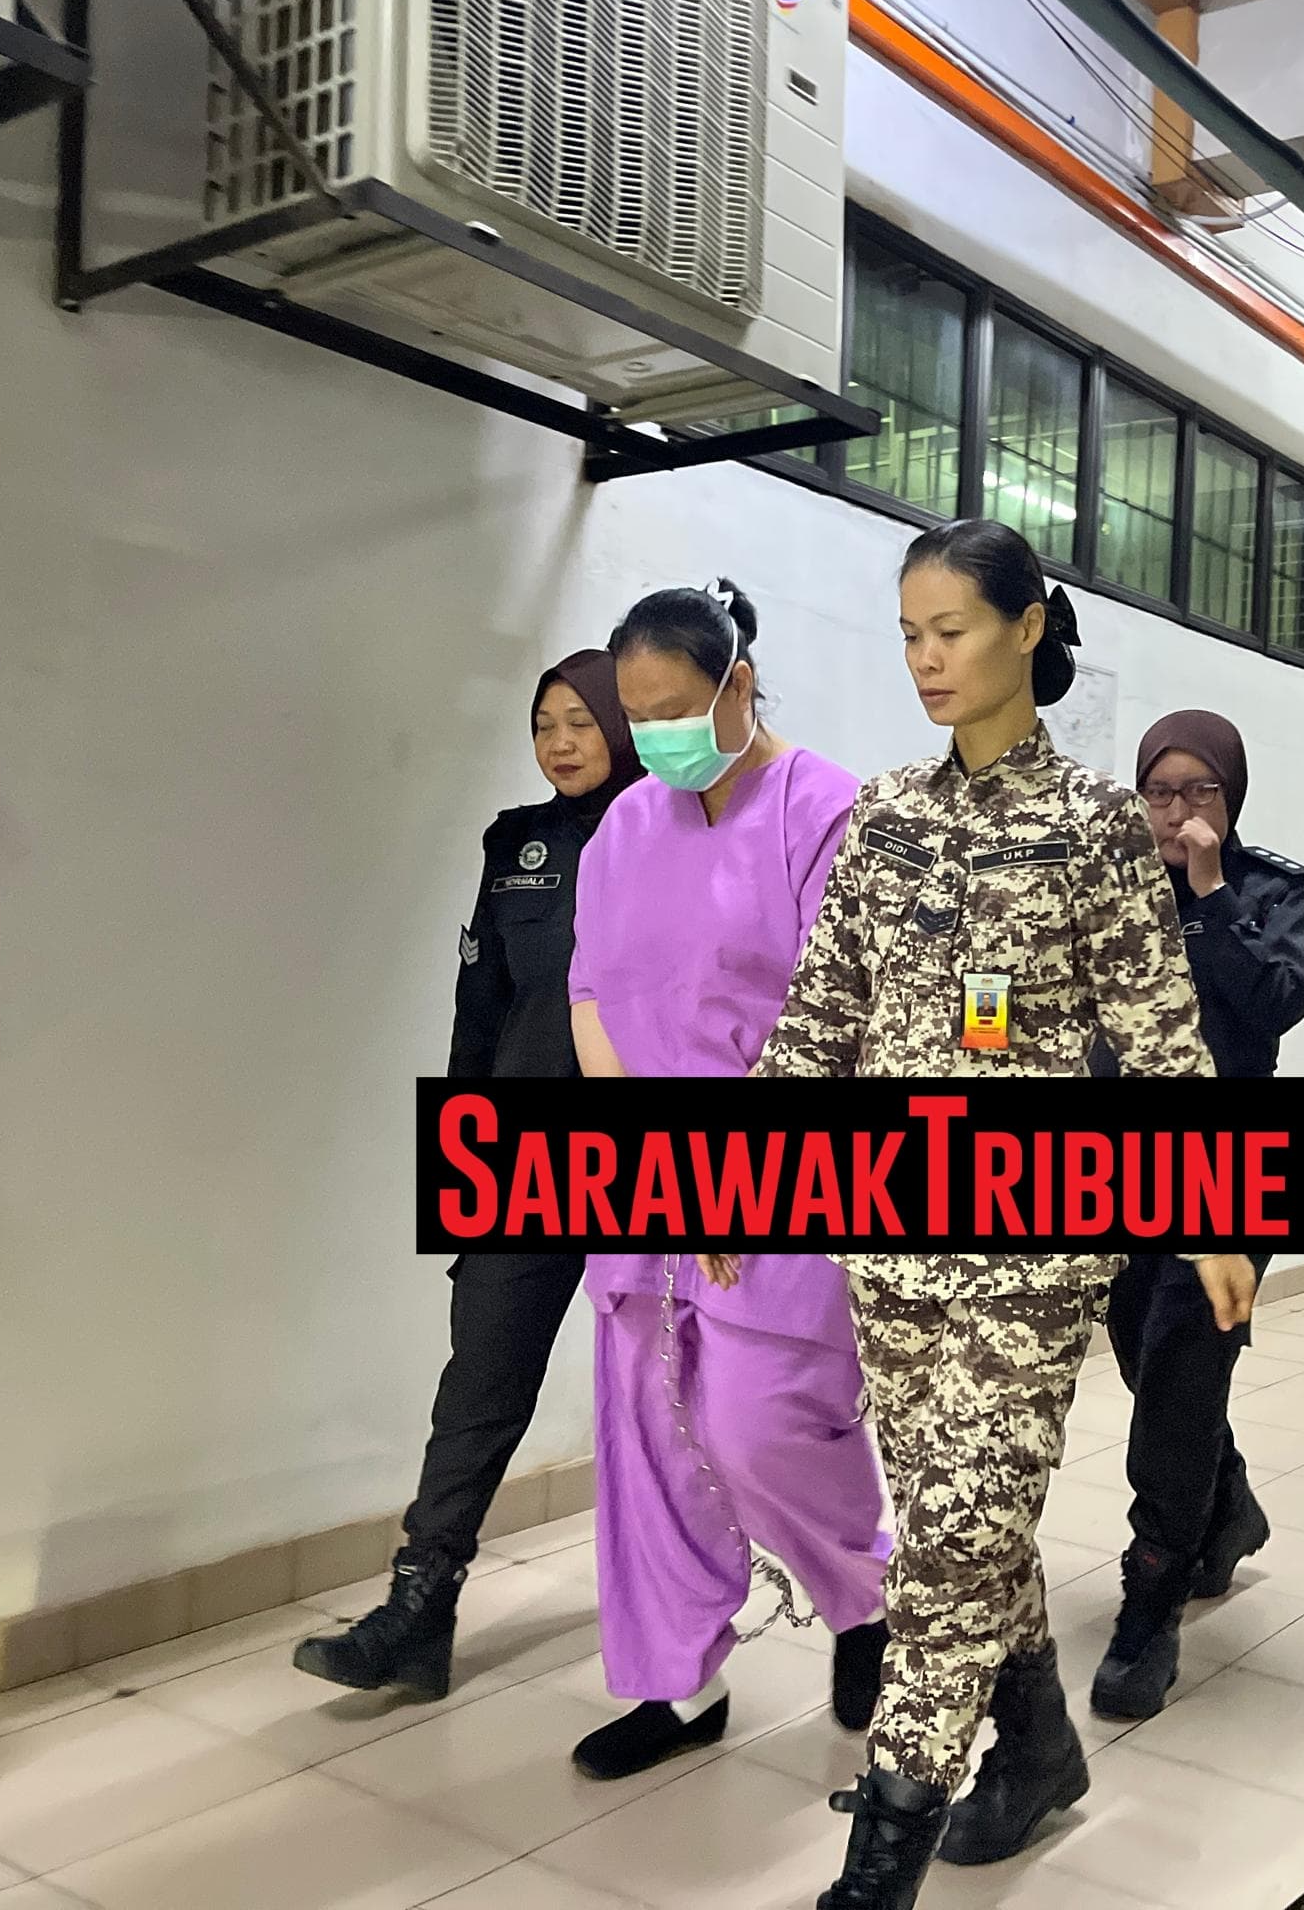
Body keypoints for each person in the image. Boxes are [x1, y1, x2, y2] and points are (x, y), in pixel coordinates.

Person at [750, 518, 1258, 1910]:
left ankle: (882, 1856)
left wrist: (1214, 1210)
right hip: (888, 1234)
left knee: (956, 1536)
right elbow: (822, 1010)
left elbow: (1158, 1032)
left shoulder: (1096, 824)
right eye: (910, 635)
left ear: (1027, 627)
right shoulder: (888, 813)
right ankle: (1034, 1748)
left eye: (952, 630)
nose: (926, 658)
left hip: (1034, 1239)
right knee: (954, 1511)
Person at [563, 579, 892, 1780]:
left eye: (674, 709)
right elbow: (590, 991)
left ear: (738, 685)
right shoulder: (624, 827)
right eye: (638, 715)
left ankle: (863, 1596)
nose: (655, 735)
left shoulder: (825, 811)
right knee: (650, 1434)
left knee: (759, 1424)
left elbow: (844, 1018)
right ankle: (679, 1684)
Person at [292, 651, 643, 1698]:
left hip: (651, 1158)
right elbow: (478, 1010)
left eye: (581, 720)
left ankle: (702, 1615)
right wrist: (463, 1171)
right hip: (526, 1155)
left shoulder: (673, 830)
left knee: (668, 1395)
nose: (561, 742)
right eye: (544, 723)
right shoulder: (515, 844)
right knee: (480, 1382)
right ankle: (420, 1604)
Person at [1085, 709, 1304, 1721]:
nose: (1178, 812)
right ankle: (1226, 1506)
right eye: (1160, 792)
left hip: (1232, 1159)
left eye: (1199, 792)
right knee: (1144, 1353)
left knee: (1181, 1368)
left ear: (1231, 796)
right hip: (1112, 1162)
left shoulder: (1272, 889)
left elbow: (1276, 1005)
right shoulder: (1110, 891)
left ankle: (1152, 1599)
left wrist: (1214, 891)